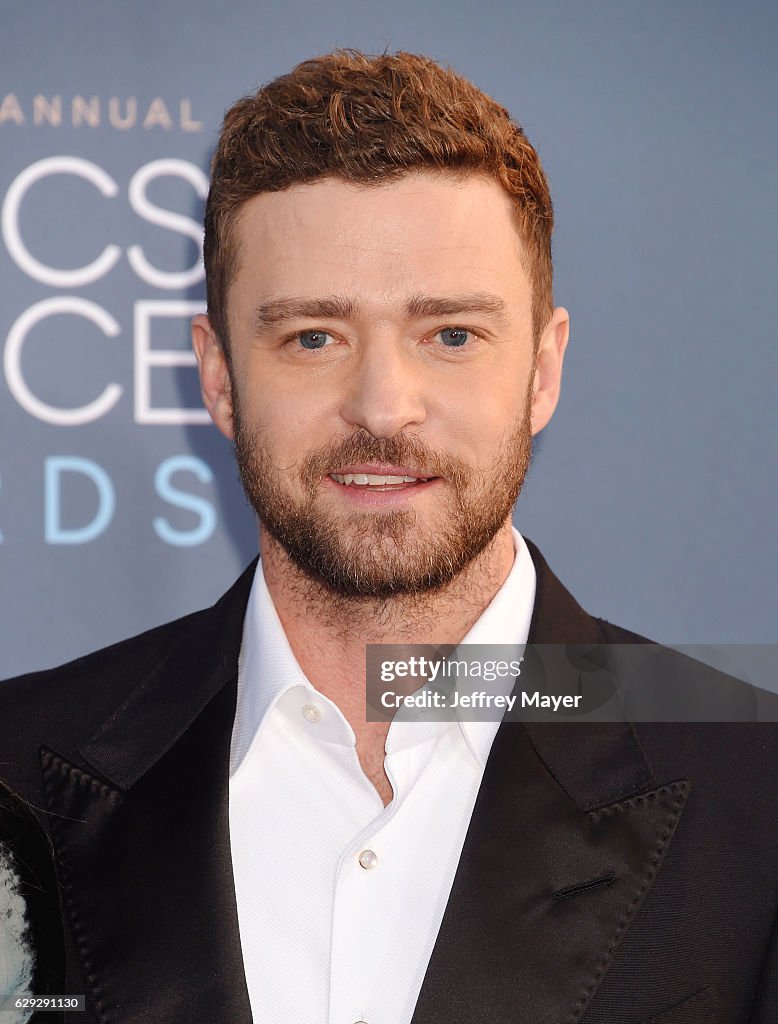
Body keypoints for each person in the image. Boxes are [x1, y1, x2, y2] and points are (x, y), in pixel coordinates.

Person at [0, 49, 776, 1024]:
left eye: (449, 334)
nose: (383, 407)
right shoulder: (15, 772)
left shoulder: (754, 795)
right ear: (218, 377)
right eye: (313, 337)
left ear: (542, 370)